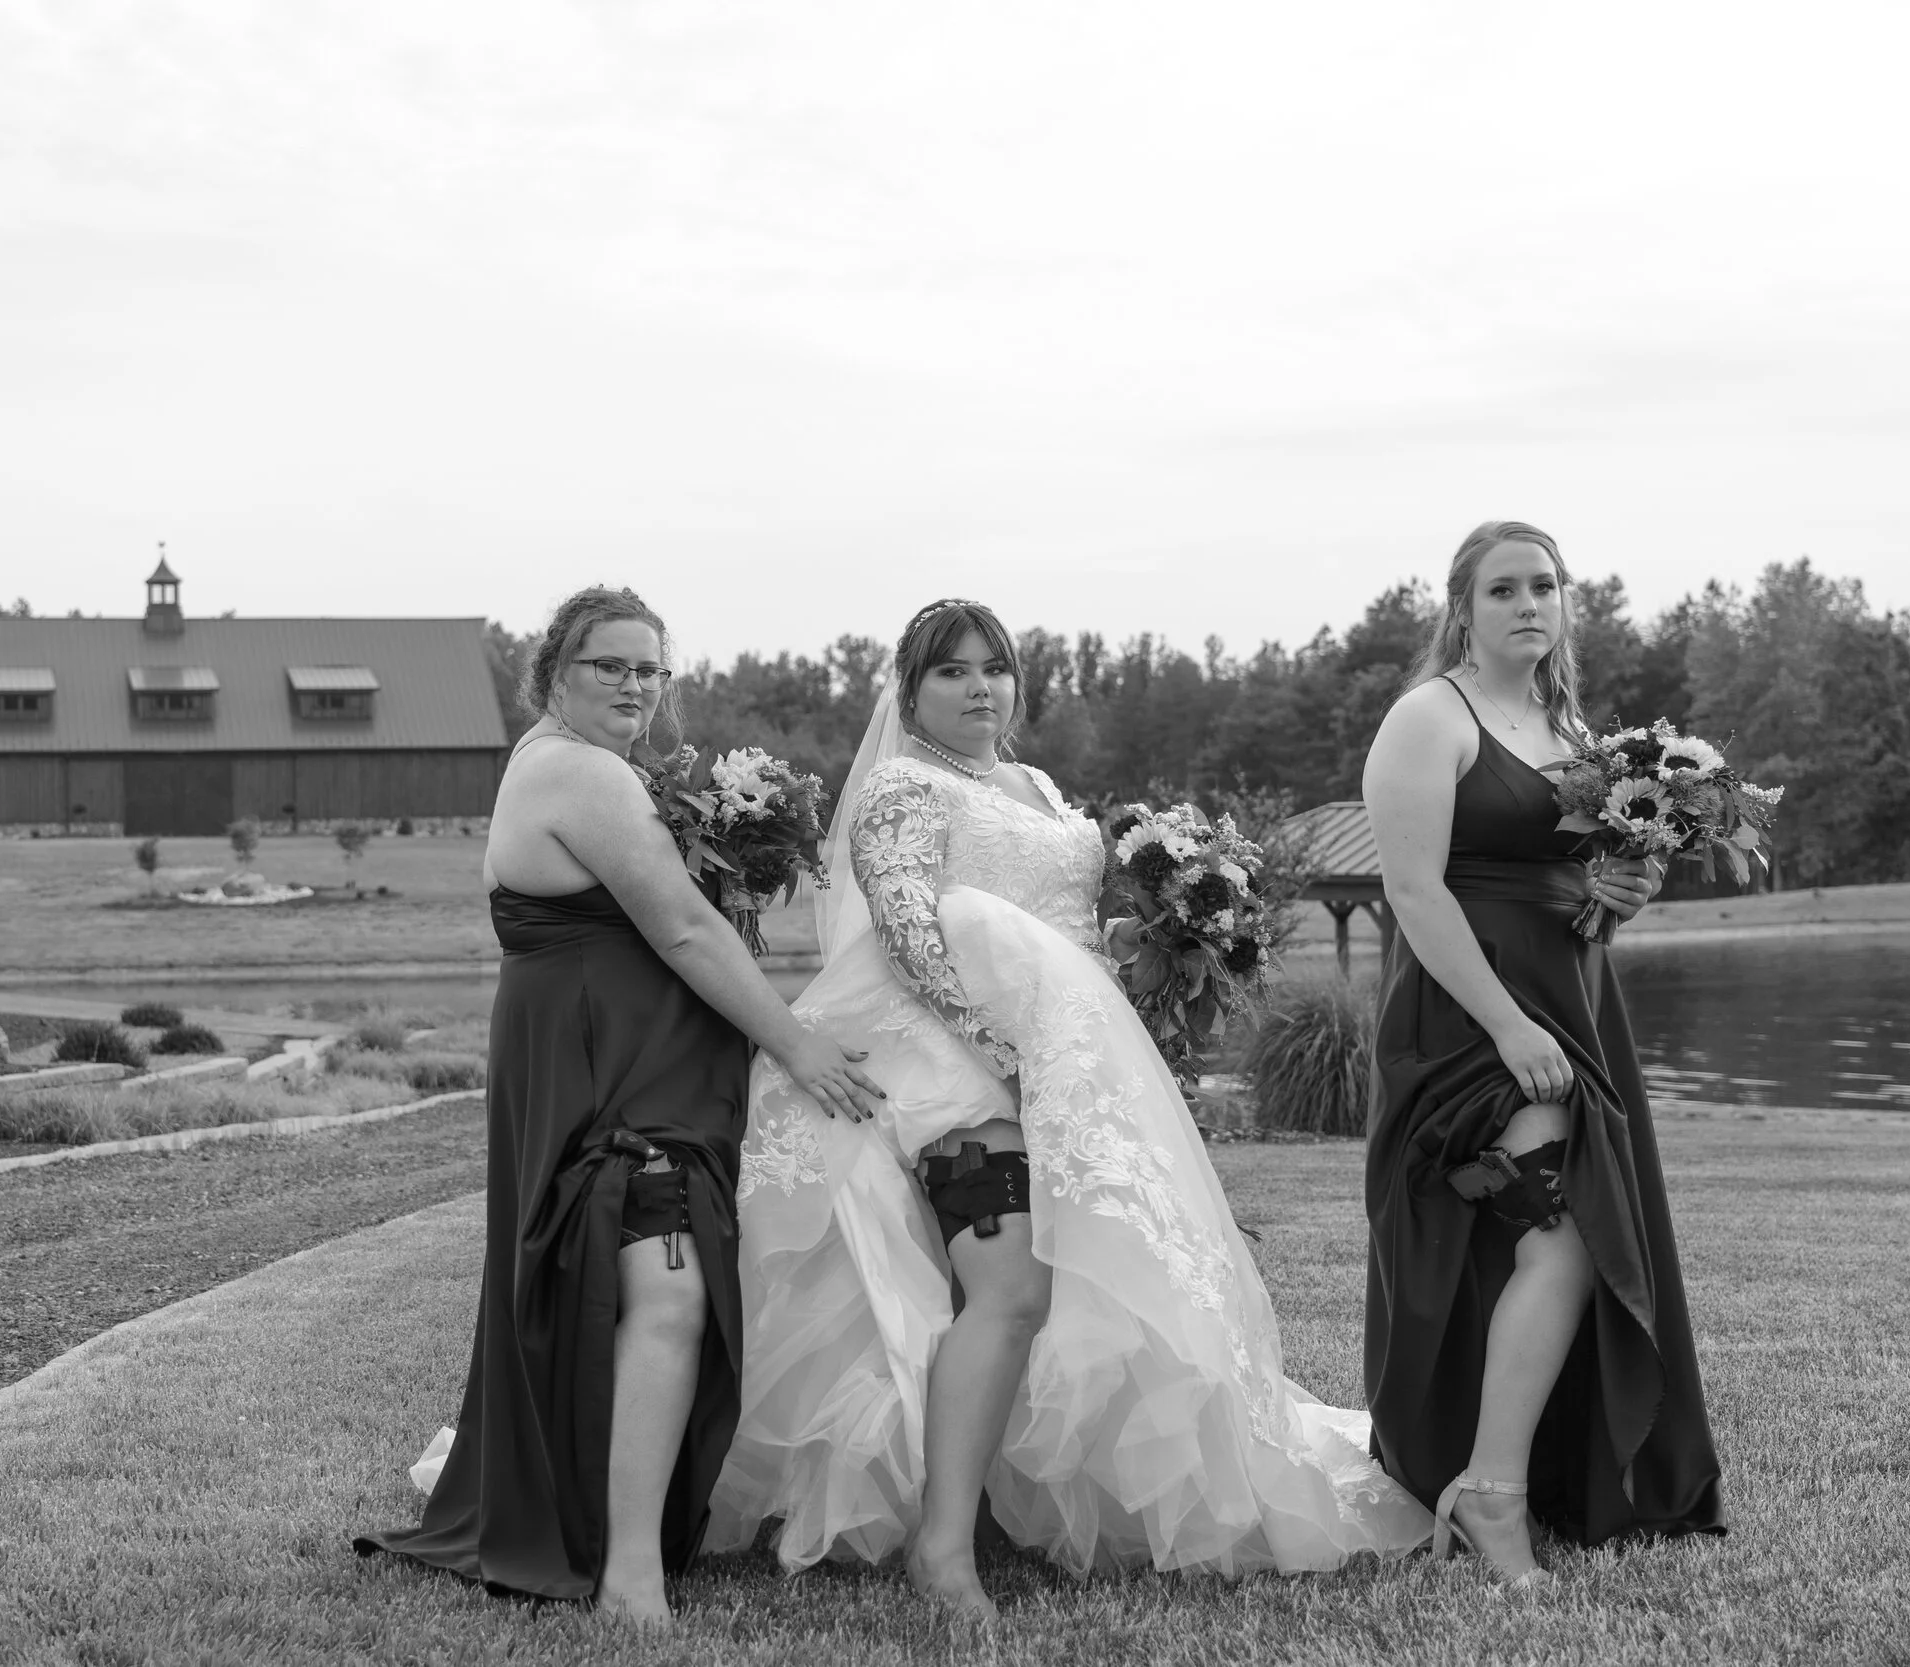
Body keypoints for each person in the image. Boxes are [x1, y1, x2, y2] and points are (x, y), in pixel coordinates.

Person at [711, 599, 1433, 1624]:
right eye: (951, 672)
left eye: (994, 669)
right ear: (908, 691)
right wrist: (1008, 1060)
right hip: (946, 1068)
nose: (979, 688)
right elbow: (913, 935)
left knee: (1068, 1284)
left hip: (1061, 1059)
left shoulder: (1037, 785)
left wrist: (1153, 961)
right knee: (1006, 1284)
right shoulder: (899, 786)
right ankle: (943, 1548)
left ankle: (993, 1506)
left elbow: (1064, 934)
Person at [357, 585, 883, 1625]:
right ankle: (632, 1573)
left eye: (651, 669)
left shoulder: (574, 764)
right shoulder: (576, 771)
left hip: (621, 1062)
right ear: (554, 670)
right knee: (667, 1287)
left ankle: (608, 1530)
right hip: (619, 1074)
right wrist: (797, 1043)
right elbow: (683, 930)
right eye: (611, 665)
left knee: (628, 1284)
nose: (635, 686)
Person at [1361, 521, 1725, 1585]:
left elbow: (1578, 895)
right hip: (1466, 1013)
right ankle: (1490, 1493)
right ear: (1461, 609)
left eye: (1545, 585)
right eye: (1502, 588)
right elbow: (1415, 891)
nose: (1528, 603)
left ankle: (1506, 1479)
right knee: (1560, 1231)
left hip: (1570, 1001)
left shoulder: (1570, 729)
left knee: (1556, 1234)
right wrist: (1507, 1024)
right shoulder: (1430, 716)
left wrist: (1624, 893)